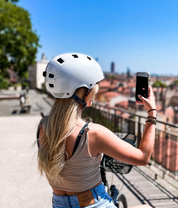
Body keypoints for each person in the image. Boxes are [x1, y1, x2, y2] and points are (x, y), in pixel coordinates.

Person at [37, 53, 157, 208]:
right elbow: (143, 157)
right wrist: (152, 113)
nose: (94, 96)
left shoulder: (43, 127)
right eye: (92, 90)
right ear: (82, 92)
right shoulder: (92, 133)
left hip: (58, 203)